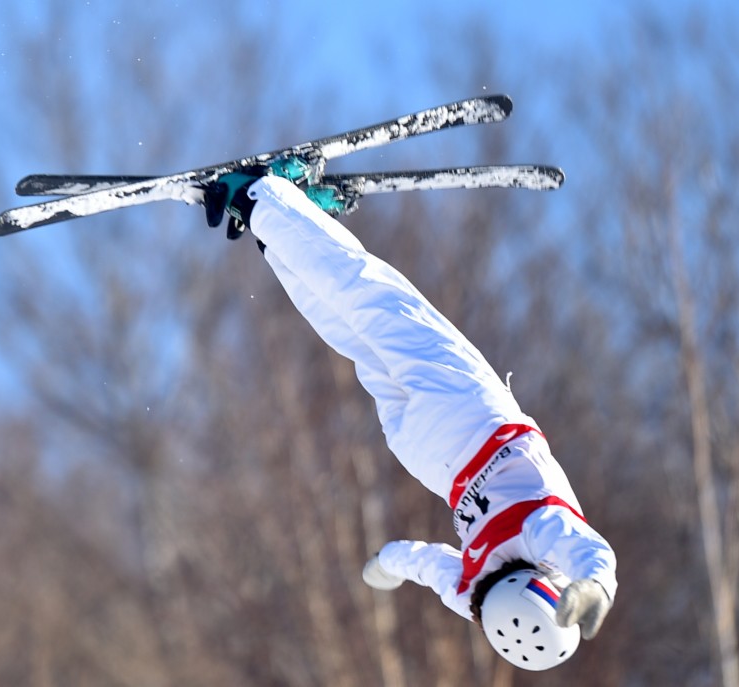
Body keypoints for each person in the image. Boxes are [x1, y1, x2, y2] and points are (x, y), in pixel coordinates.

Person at [203, 159, 617, 672]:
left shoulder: (538, 533)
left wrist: (596, 585)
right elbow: (421, 562)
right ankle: (282, 230)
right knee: (350, 333)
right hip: (424, 456)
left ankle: (262, 196)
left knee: (373, 298)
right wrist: (385, 565)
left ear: (547, 590)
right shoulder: (472, 593)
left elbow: (587, 551)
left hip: (472, 418)